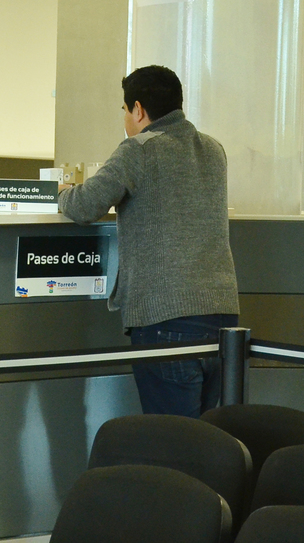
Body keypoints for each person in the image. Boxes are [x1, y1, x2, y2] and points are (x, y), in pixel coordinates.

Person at [57, 65, 239, 418]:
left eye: (125, 110)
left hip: (165, 319)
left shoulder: (138, 150)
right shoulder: (213, 149)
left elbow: (84, 205)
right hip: (222, 318)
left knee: (172, 440)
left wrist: (62, 191)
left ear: (138, 109)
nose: (126, 119)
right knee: (206, 439)